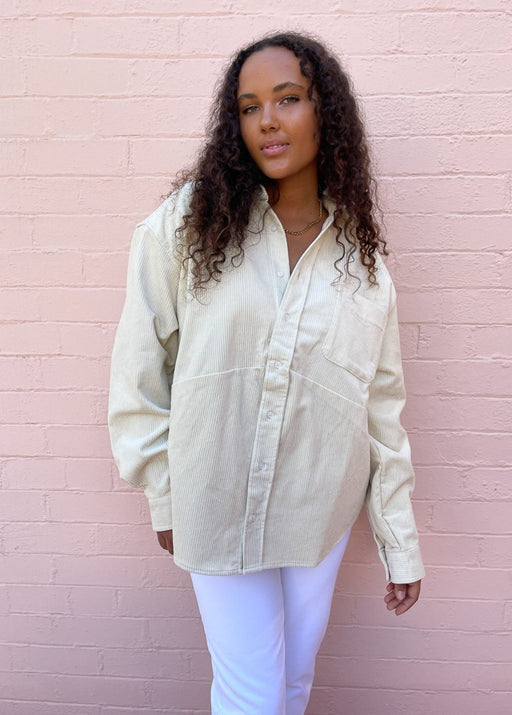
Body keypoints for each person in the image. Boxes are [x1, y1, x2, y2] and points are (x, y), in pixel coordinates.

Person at [108, 31, 424, 715]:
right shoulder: (187, 227)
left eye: (287, 99)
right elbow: (139, 369)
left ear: (325, 111)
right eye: (249, 107)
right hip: (215, 499)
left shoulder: (363, 267)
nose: (268, 121)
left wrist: (399, 543)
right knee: (251, 694)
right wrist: (165, 495)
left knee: (292, 683)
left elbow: (380, 408)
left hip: (319, 509)